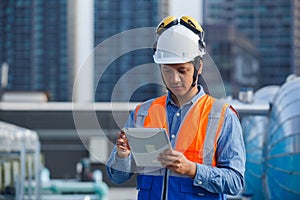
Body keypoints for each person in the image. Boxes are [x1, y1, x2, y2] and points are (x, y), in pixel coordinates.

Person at [106, 16, 245, 200]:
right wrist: (123, 156)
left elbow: (235, 182)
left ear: (199, 66)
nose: (174, 79)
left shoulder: (222, 116)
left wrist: (193, 170)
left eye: (182, 70)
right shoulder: (143, 113)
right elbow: (117, 177)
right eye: (167, 71)